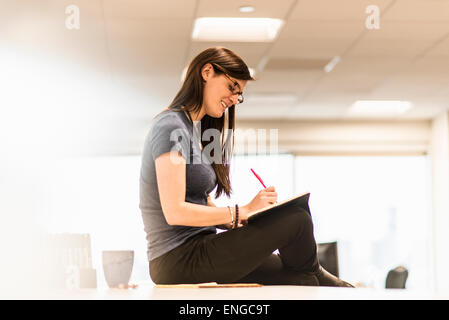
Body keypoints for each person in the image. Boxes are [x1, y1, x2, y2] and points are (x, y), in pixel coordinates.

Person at [139, 47, 353, 287]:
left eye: (238, 94)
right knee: (297, 219)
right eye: (232, 87)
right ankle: (325, 277)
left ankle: (318, 276)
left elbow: (200, 203)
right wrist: (241, 211)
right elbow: (175, 212)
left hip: (198, 250)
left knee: (300, 278)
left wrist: (249, 215)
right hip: (178, 259)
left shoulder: (192, 132)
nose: (233, 99)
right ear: (207, 72)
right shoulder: (170, 127)